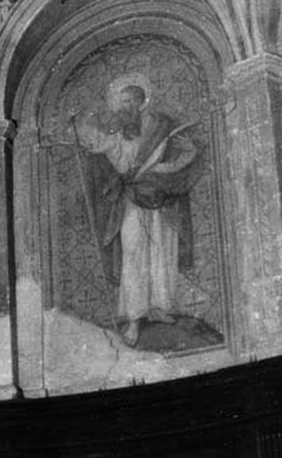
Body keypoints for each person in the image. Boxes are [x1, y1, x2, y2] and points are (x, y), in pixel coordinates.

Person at [73, 73, 201, 346]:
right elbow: (96, 143)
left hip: (160, 199)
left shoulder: (161, 128)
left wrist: (186, 154)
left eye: (132, 100)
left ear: (143, 101)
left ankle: (159, 307)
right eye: (123, 102)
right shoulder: (119, 135)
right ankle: (133, 318)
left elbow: (181, 158)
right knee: (133, 253)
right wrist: (79, 128)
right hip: (132, 200)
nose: (128, 106)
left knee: (161, 251)